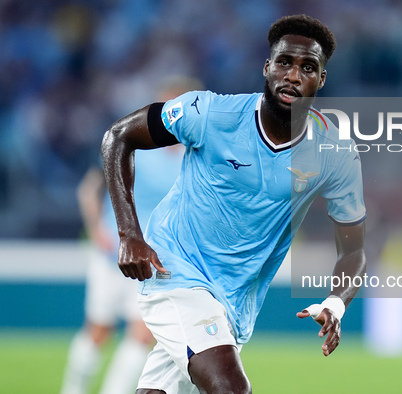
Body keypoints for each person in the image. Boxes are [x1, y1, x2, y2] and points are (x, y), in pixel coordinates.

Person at [101, 14, 366, 394]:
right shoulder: (208, 114)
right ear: (267, 67)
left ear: (321, 79)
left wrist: (337, 303)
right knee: (231, 388)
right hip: (174, 269)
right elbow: (118, 137)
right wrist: (130, 233)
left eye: (307, 67)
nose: (293, 75)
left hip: (236, 300)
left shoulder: (334, 152)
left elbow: (353, 249)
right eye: (284, 62)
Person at [61, 77, 203, 394]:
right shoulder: (134, 142)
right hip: (115, 252)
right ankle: (72, 390)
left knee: (141, 335)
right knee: (98, 330)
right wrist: (97, 229)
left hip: (153, 261)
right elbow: (89, 189)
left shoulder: (193, 156)